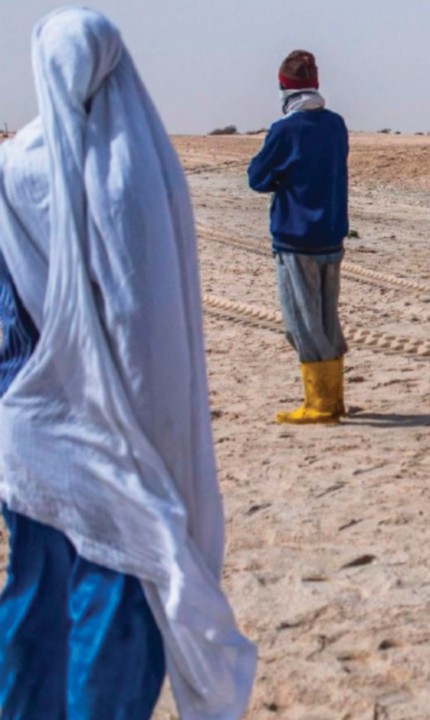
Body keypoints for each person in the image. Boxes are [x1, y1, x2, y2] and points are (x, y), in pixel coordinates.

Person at [0, 8, 256, 719]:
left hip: (32, 421)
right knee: (120, 591)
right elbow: (149, 316)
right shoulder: (142, 169)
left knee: (38, 591)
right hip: (116, 423)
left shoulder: (16, 166)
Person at [249, 50, 351, 425]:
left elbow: (257, 178)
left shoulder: (284, 130)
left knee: (302, 322)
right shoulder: (336, 124)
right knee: (326, 318)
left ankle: (321, 405)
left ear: (284, 87)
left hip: (297, 238)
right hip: (331, 235)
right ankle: (334, 399)